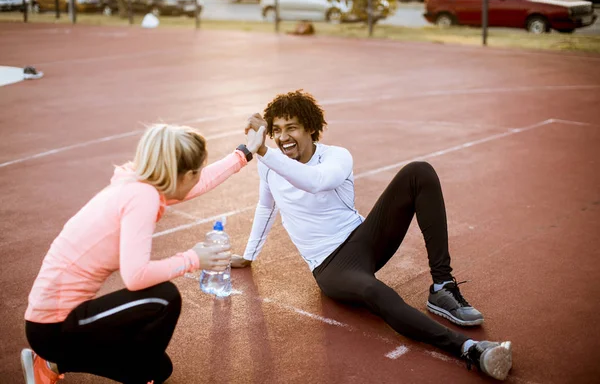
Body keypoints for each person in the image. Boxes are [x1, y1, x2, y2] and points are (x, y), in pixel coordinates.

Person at [232, 90, 513, 381]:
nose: (282, 137)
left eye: (291, 127)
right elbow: (266, 206)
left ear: (310, 129)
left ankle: (442, 285)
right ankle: (471, 349)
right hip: (331, 266)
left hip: (364, 239)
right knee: (375, 292)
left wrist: (263, 150)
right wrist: (248, 254)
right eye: (276, 130)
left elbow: (315, 182)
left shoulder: (336, 157)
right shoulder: (270, 166)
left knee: (419, 172)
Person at [21, 123, 266, 384]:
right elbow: (136, 277)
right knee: (164, 298)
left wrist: (245, 153)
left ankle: (50, 364)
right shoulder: (142, 197)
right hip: (52, 326)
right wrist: (193, 258)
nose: (198, 178)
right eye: (195, 173)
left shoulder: (137, 184)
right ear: (181, 175)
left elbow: (201, 182)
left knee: (159, 369)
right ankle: (67, 358)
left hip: (53, 324)